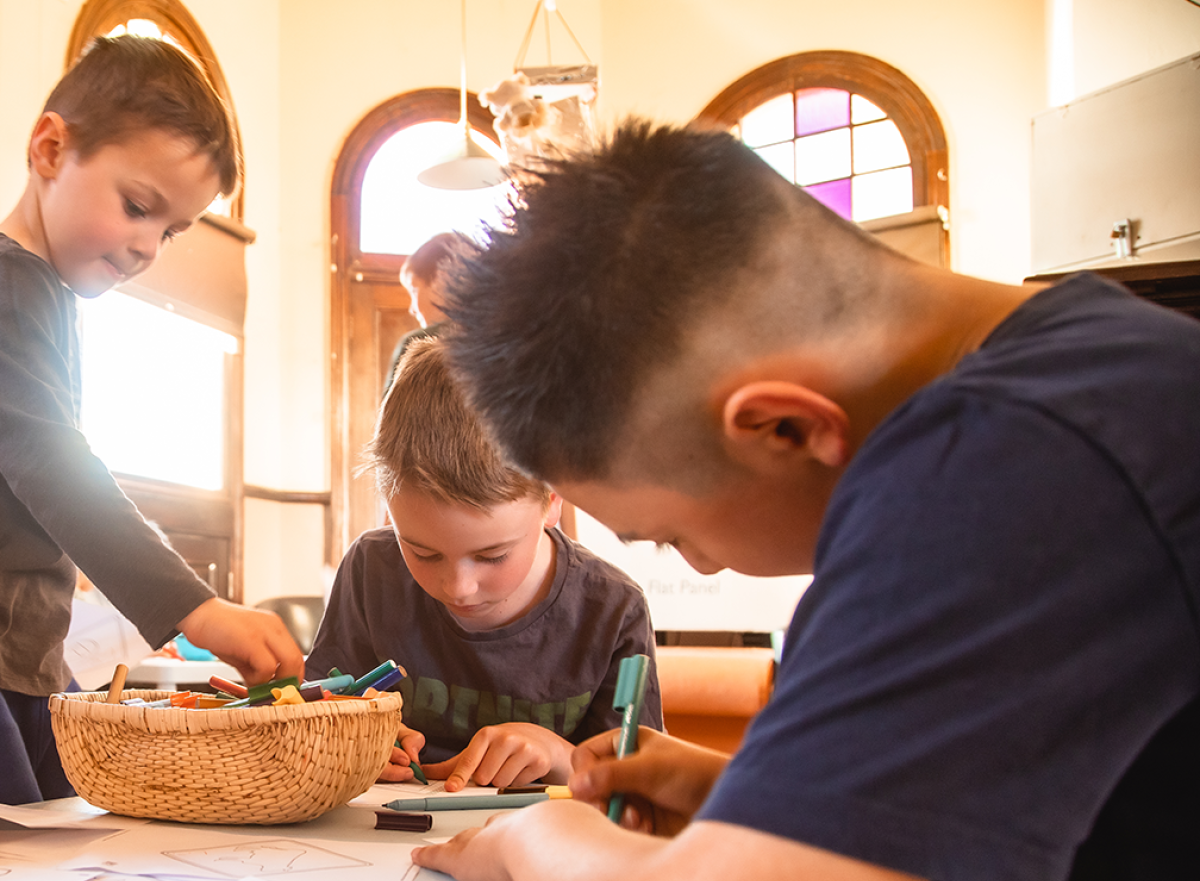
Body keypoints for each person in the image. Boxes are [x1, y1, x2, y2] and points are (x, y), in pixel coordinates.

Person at [414, 120, 1200, 881]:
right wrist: (747, 797)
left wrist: (538, 838)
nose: (702, 565)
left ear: (784, 426)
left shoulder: (1008, 470)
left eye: (668, 534)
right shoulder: (1098, 370)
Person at [0, 35, 305, 804]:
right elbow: (51, 463)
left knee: (75, 830)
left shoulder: (41, 294)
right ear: (49, 147)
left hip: (21, 654)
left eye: (168, 231)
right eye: (137, 207)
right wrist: (195, 607)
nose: (146, 246)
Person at [310, 336, 659, 793]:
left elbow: (640, 789)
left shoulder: (613, 610)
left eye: (493, 556)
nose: (458, 587)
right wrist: (349, 738)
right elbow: (312, 710)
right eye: (421, 551)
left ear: (552, 499)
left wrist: (561, 757)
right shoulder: (369, 569)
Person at [383, 231, 477, 396]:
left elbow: (392, 420)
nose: (412, 308)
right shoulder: (508, 342)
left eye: (414, 290)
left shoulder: (417, 347)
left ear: (443, 278)